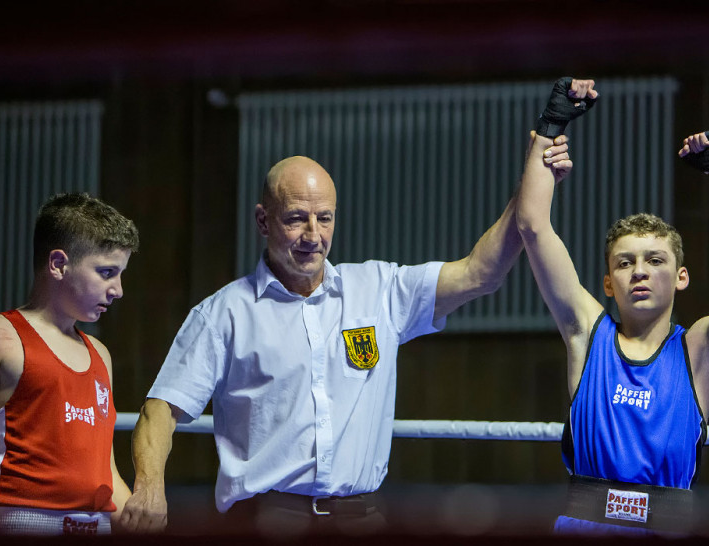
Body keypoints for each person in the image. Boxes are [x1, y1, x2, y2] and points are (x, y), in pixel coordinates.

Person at [119, 117, 575, 535]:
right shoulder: (224, 313)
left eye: (324, 217)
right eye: (296, 218)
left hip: (362, 519)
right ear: (263, 220)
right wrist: (149, 487)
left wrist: (532, 180)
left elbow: (481, 273)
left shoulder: (380, 288)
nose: (313, 235)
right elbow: (161, 410)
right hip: (264, 522)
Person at [516, 78, 709, 535]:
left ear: (681, 276)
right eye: (625, 263)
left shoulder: (698, 351)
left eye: (654, 260)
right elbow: (533, 228)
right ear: (608, 281)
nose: (639, 271)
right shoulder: (587, 332)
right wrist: (551, 125)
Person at [0, 193, 139, 535]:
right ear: (58, 264)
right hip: (20, 522)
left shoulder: (100, 353)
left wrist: (139, 516)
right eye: (107, 272)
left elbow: (104, 467)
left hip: (98, 526)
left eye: (121, 274)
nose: (119, 290)